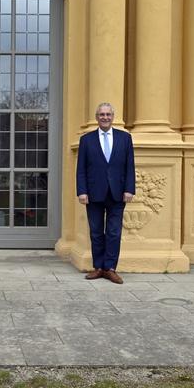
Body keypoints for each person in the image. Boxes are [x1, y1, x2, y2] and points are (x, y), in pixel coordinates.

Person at [76, 102, 135, 284]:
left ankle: (110, 268)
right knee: (95, 232)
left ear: (113, 117)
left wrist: (129, 189)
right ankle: (98, 267)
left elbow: (129, 166)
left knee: (114, 232)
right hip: (93, 193)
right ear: (97, 117)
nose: (105, 117)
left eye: (108, 114)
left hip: (117, 193)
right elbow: (81, 169)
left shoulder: (125, 138)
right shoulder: (86, 140)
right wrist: (82, 191)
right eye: (102, 114)